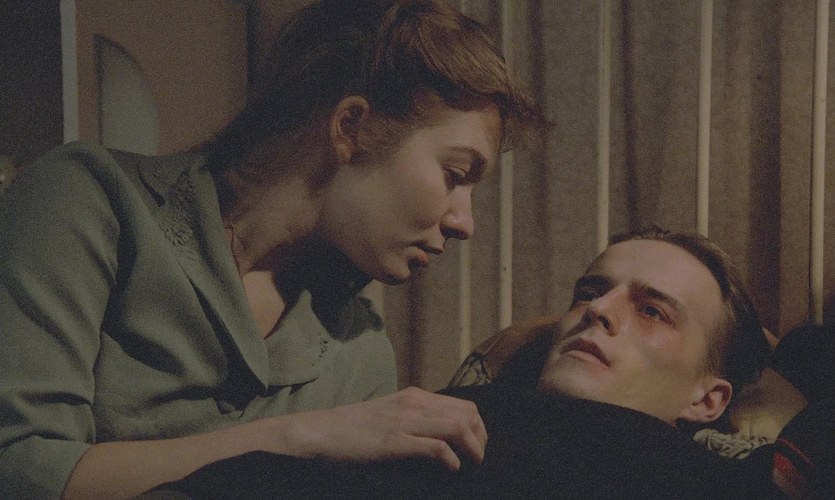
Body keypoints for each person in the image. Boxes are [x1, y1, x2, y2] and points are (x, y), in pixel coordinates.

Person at [0, 1, 543, 498]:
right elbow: (20, 468)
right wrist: (302, 437)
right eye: (455, 174)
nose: (465, 223)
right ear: (352, 126)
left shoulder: (359, 353)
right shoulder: (89, 203)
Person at [146, 228, 832, 498]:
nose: (597, 310)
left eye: (652, 310)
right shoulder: (422, 420)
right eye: (590, 290)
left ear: (707, 400)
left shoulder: (725, 484)